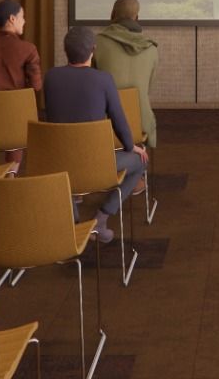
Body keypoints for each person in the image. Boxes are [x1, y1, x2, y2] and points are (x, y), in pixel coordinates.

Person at [41, 26, 147, 244]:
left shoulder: (51, 77)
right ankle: (101, 218)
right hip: (95, 164)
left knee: (68, 172)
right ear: (93, 50)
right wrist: (131, 146)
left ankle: (74, 226)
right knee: (140, 161)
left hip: (57, 161)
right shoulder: (103, 79)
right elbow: (119, 121)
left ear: (65, 50)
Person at [93, 0, 159, 150]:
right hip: (141, 121)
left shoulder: (96, 43)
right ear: (137, 17)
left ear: (112, 15)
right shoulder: (152, 48)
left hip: (106, 121)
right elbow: (148, 89)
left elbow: (92, 86)